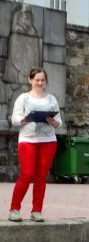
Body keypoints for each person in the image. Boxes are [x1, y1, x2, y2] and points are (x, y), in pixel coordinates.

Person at [8, 67, 63, 222]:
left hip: (48, 142)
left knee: (41, 176)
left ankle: (37, 211)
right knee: (27, 174)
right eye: (37, 79)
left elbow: (59, 122)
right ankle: (14, 209)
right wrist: (28, 118)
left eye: (42, 80)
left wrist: (53, 121)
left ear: (46, 82)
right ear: (30, 80)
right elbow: (14, 120)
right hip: (28, 141)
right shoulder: (23, 98)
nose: (39, 83)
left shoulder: (52, 99)